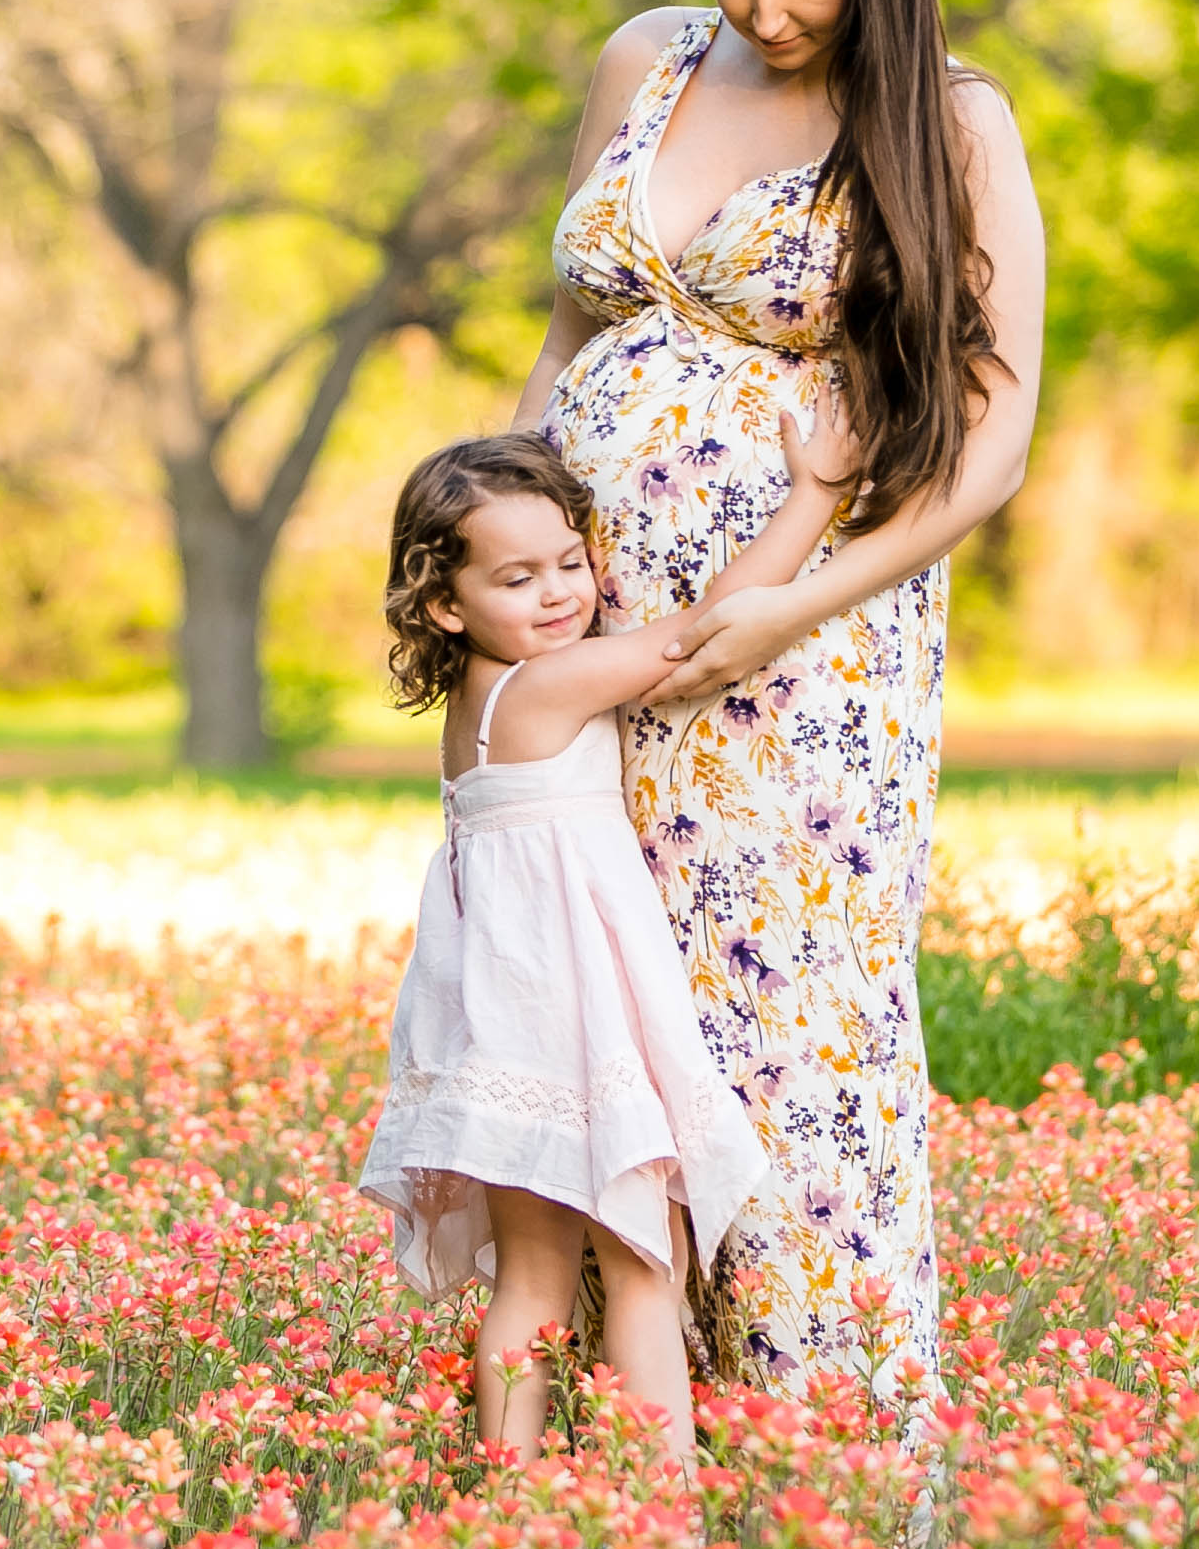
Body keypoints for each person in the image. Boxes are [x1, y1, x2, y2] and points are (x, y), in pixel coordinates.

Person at [512, 0, 1047, 1431]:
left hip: (798, 674)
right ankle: (624, 1459)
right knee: (592, 1025)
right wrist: (501, 535)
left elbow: (993, 436)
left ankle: (827, 1469)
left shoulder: (949, 119)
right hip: (586, 656)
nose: (765, 12)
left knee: (784, 1045)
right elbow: (571, 336)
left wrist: (792, 607)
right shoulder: (644, 61)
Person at [357, 400, 855, 1469]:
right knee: (644, 1259)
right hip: (565, 1011)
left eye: (568, 563)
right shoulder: (549, 685)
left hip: (499, 1022)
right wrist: (813, 495)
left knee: (531, 1281)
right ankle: (656, 1522)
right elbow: (701, 634)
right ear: (443, 606)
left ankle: (511, 1495)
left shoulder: (480, 699)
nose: (558, 594)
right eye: (516, 578)